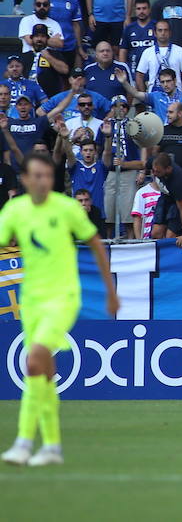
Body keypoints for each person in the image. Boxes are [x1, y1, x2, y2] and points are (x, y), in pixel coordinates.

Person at [0, 151, 119, 467]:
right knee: (42, 371)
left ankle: (24, 442)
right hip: (32, 301)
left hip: (63, 296)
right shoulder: (14, 210)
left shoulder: (66, 209)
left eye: (48, 176)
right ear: (24, 180)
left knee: (34, 359)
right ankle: (52, 446)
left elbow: (95, 243)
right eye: (37, 176)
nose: (43, 182)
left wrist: (110, 291)